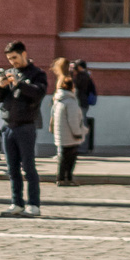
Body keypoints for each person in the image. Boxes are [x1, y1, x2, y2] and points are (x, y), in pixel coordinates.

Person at [0, 43, 48, 216]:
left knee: (28, 167)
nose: (12, 62)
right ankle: (17, 203)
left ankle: (34, 204)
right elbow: (0, 99)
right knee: (12, 168)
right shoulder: (9, 73)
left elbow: (38, 93)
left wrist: (19, 84)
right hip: (8, 126)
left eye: (14, 58)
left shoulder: (37, 74)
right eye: (9, 59)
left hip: (26, 126)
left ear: (24, 54)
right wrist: (1, 85)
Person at [49, 58, 87, 188]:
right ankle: (67, 178)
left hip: (61, 132)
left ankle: (61, 178)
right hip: (69, 134)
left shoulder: (59, 98)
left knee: (63, 156)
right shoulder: (70, 101)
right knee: (69, 157)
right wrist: (78, 133)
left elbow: (53, 112)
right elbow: (72, 119)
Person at [73, 61, 99, 155]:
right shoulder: (86, 75)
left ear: (79, 67)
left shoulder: (82, 76)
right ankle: (82, 146)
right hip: (83, 103)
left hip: (81, 102)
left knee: (82, 124)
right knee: (81, 124)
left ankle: (83, 147)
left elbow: (75, 85)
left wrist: (71, 73)